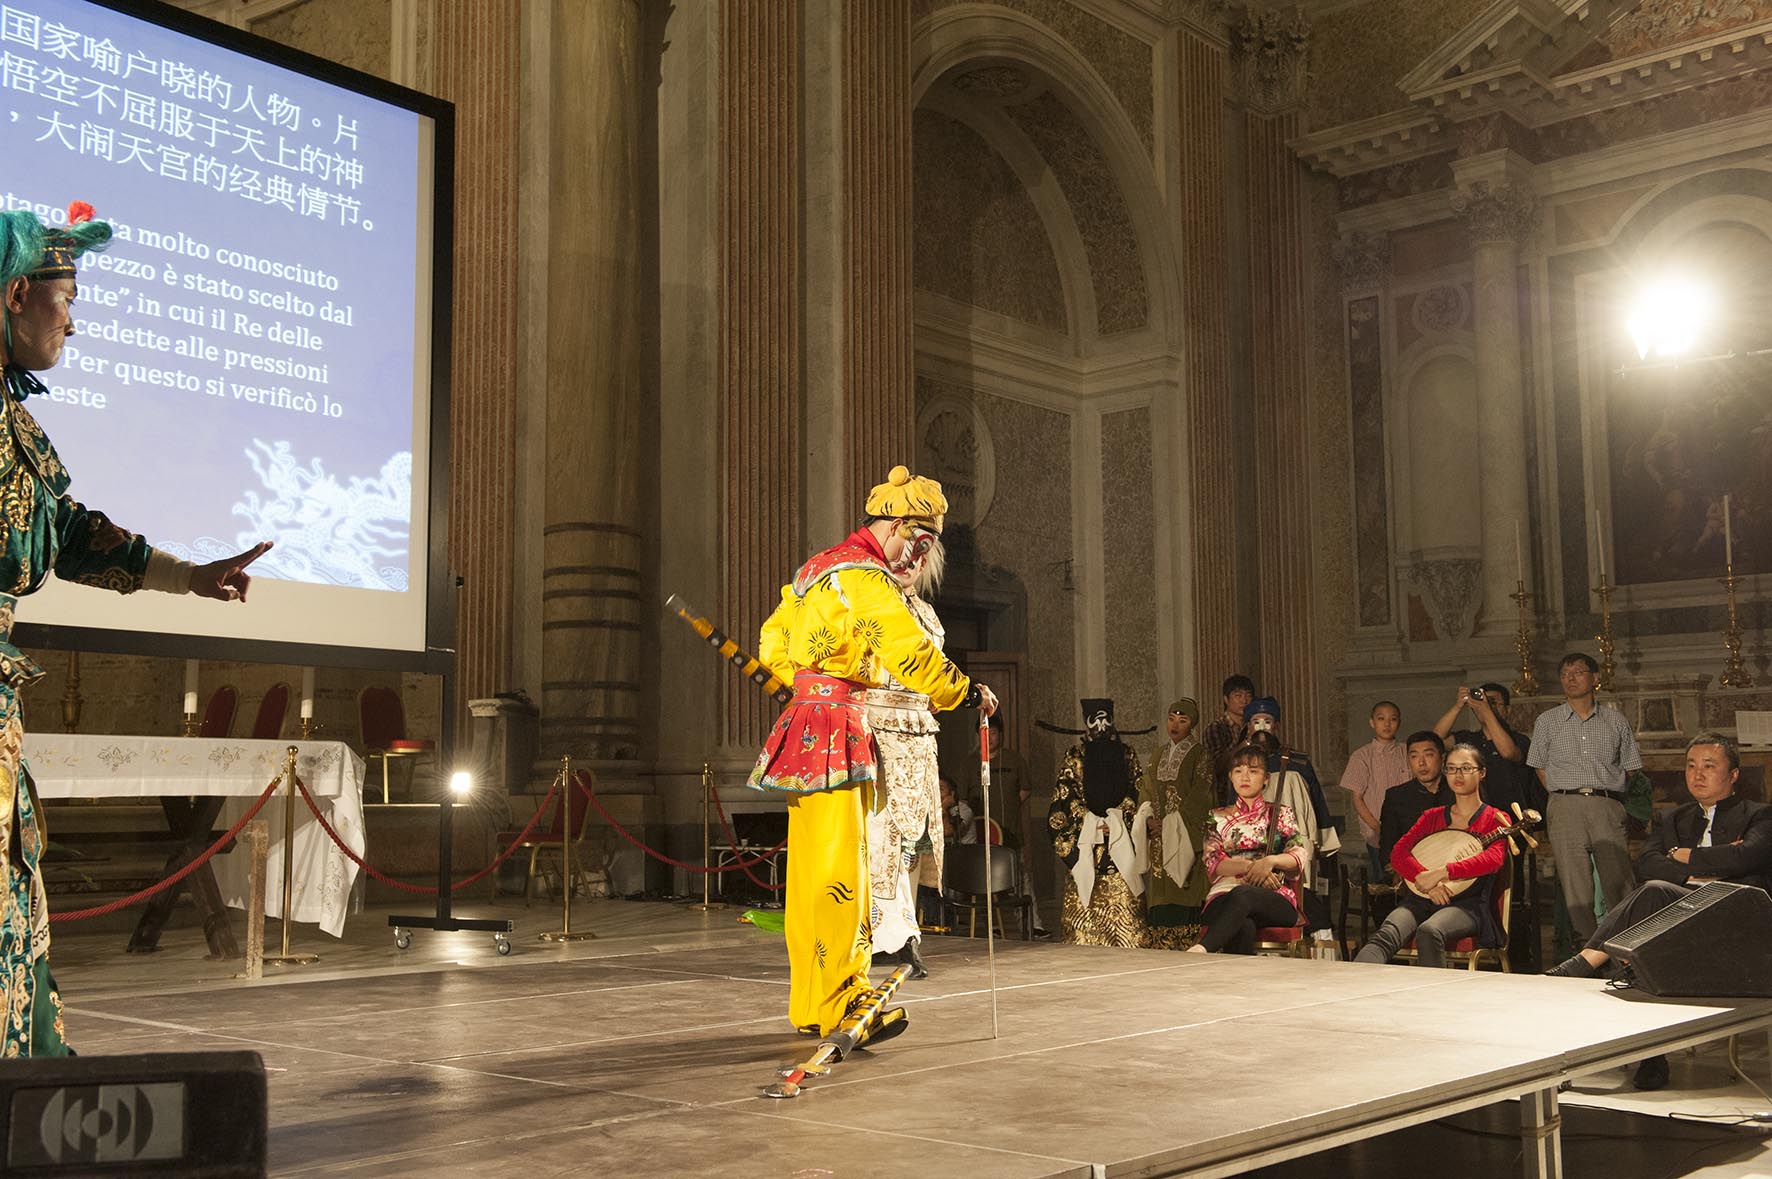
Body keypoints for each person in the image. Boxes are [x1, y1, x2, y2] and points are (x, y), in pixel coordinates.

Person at [0, 202, 272, 1056]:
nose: (73, 324)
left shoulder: (20, 431)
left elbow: (73, 532)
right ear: (16, 294)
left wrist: (188, 577)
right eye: (66, 299)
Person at [750, 464, 996, 1043]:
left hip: (803, 728)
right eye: (922, 541)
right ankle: (843, 1003)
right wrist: (964, 693)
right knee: (844, 876)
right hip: (841, 733)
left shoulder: (813, 572)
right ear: (899, 528)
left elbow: (770, 646)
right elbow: (909, 654)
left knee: (811, 875)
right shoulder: (866, 579)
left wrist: (815, 684)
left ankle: (813, 1001)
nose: (918, 557)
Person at [1545, 733, 1772, 1091]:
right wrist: (1706, 866)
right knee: (1645, 945)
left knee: (1653, 896)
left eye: (1709, 766)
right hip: (1679, 925)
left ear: (1733, 775)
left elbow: (1747, 858)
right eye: (1691, 766)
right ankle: (1651, 1058)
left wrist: (1685, 858)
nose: (1697, 774)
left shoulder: (1760, 815)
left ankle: (1585, 961)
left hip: (1736, 923)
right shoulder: (1675, 819)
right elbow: (1647, 863)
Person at [862, 530, 953, 981]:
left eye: (920, 556)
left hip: (920, 737)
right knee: (880, 837)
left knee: (915, 840)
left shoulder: (929, 614)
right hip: (876, 733)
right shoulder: (871, 604)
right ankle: (883, 936)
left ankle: (905, 932)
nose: (908, 563)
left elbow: (935, 678)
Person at [1353, 744, 1511, 969]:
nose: (1458, 775)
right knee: (1386, 933)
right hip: (1421, 898)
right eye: (1452, 768)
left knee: (1430, 931)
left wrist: (1442, 872)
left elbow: (1494, 859)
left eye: (1466, 768)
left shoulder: (1495, 818)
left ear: (1482, 772)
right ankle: (1352, 988)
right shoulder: (1432, 817)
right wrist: (1427, 883)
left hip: (1467, 905)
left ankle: (1432, 999)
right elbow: (1398, 853)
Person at [1527, 652, 1642, 947]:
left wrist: (1609, 793)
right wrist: (1560, 791)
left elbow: (1631, 767)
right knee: (1575, 883)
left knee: (1618, 880)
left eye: (1578, 672)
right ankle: (1587, 949)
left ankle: (1623, 947)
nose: (1570, 679)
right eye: (1565, 674)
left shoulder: (1615, 721)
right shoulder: (1548, 721)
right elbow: (1539, 764)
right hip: (1565, 805)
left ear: (1595, 678)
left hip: (1606, 804)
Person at [1187, 740, 1310, 954]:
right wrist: (1253, 867)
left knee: (1244, 894)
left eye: (1253, 771)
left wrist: (1269, 861)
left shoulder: (1280, 813)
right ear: (1230, 776)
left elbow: (1298, 854)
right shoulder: (1217, 816)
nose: (1244, 777)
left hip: (1273, 897)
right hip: (1224, 894)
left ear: (1266, 779)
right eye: (1238, 771)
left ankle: (1201, 949)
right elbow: (1215, 863)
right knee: (1244, 926)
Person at [1048, 699, 1148, 948]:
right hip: (1087, 847)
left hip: (1120, 851)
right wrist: (1091, 822)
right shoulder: (1075, 757)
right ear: (1086, 724)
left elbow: (1138, 793)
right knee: (1082, 932)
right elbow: (1065, 798)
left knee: (1129, 933)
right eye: (1095, 720)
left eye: (1106, 720)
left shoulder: (1127, 754)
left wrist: (1115, 821)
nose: (1101, 726)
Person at [1139, 698, 1214, 949]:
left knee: (1186, 881)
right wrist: (1148, 818)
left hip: (1184, 834)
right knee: (1160, 885)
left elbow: (1201, 794)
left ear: (1191, 724)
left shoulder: (1200, 754)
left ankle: (1188, 942)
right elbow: (1146, 787)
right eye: (1171, 719)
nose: (1175, 725)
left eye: (1182, 721)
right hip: (1159, 835)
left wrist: (1172, 823)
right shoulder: (1158, 753)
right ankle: (1160, 942)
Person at [1244, 696, 1337, 854]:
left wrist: (1324, 835)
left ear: (1276, 726)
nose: (1262, 727)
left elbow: (1316, 799)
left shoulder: (1297, 761)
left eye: (1267, 721)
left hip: (1295, 838)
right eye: (1256, 721)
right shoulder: (1241, 763)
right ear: (1249, 727)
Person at [1432, 684, 1539, 818]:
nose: (1488, 706)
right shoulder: (1467, 739)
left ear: (1508, 710)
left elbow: (1508, 752)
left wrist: (1486, 710)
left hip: (1512, 816)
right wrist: (1459, 705)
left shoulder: (1520, 740)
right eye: (1484, 702)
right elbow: (1435, 740)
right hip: (1474, 816)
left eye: (1493, 702)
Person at [1340, 700, 1406, 879]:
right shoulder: (1362, 756)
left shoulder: (1407, 752)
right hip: (1376, 830)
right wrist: (1378, 827)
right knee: (1383, 879)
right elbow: (1357, 798)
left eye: (1393, 719)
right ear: (1372, 722)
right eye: (1381, 718)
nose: (1387, 724)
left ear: (1399, 722)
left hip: (1408, 831)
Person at [1377, 732, 1449, 873]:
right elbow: (1387, 846)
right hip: (1413, 874)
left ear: (1443, 758)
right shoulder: (1396, 796)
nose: (1421, 763)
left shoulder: (1459, 791)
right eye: (1414, 756)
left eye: (1428, 755)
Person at [1202, 674, 1254, 798]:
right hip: (1224, 794)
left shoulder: (1254, 725)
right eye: (1238, 695)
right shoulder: (1216, 727)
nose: (1244, 701)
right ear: (1226, 699)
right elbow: (1217, 767)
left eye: (1248, 696)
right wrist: (1246, 742)